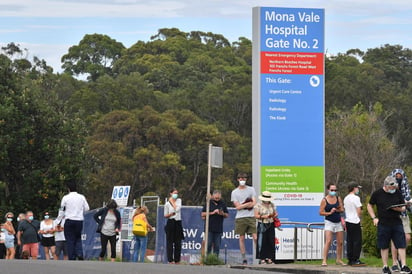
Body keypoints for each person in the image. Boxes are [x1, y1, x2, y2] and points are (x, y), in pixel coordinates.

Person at [367, 176, 412, 274]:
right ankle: (385, 266)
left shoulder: (397, 192)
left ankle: (404, 265)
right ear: (386, 186)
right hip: (383, 223)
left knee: (401, 244)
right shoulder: (377, 194)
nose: (393, 189)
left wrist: (399, 209)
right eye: (391, 187)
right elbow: (369, 205)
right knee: (384, 245)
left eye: (394, 187)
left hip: (396, 222)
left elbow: (403, 207)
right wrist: (374, 218)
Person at [231, 172, 257, 265]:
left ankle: (260, 256)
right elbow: (237, 207)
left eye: (244, 179)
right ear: (238, 179)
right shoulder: (234, 192)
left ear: (246, 179)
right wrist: (246, 204)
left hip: (251, 216)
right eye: (241, 179)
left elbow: (254, 202)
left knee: (255, 237)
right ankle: (244, 258)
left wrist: (246, 204)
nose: (242, 180)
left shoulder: (251, 189)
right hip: (240, 217)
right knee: (241, 238)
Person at [60, 179, 90, 260]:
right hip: (79, 220)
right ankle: (80, 254)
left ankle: (72, 256)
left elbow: (61, 210)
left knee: (70, 239)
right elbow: (87, 208)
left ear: (68, 189)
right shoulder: (81, 197)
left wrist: (58, 221)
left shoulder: (65, 198)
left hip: (69, 220)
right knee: (78, 237)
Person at [389, 168, 411, 272]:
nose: (398, 178)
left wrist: (408, 205)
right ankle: (394, 263)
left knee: (407, 237)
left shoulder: (406, 188)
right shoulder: (390, 188)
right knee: (394, 240)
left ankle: (400, 258)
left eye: (400, 176)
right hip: (393, 216)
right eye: (396, 176)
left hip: (404, 215)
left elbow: (408, 199)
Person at [319, 183, 345, 266]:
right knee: (328, 241)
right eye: (332, 190)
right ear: (328, 190)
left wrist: (337, 210)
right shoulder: (324, 200)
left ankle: (339, 259)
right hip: (329, 222)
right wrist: (329, 212)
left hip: (338, 221)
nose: (334, 192)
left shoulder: (338, 198)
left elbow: (342, 209)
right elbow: (321, 212)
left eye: (335, 190)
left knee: (340, 242)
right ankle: (324, 260)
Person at [343, 182, 366, 266]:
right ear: (354, 188)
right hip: (355, 221)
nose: (358, 190)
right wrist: (359, 217)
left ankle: (350, 259)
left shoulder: (346, 198)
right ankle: (356, 259)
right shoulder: (356, 198)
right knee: (357, 241)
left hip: (348, 220)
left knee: (350, 240)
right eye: (357, 188)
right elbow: (359, 210)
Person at [201, 190, 229, 257]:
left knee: (217, 245)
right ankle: (207, 258)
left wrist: (222, 213)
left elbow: (227, 215)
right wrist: (212, 212)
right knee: (208, 244)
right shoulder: (208, 203)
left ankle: (215, 259)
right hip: (209, 228)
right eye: (216, 198)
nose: (217, 199)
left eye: (218, 198)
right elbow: (202, 214)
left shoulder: (222, 203)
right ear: (213, 196)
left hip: (218, 228)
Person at [254, 191, 277, 264]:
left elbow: (275, 213)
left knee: (271, 241)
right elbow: (256, 216)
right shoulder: (258, 206)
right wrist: (263, 216)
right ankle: (262, 258)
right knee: (262, 241)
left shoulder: (272, 205)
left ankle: (270, 258)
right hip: (262, 224)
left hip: (270, 223)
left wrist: (273, 215)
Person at [164, 188, 184, 264]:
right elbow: (165, 215)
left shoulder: (179, 201)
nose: (176, 194)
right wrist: (170, 214)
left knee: (178, 242)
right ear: (171, 193)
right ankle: (170, 260)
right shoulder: (167, 204)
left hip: (178, 222)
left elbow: (177, 209)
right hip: (170, 222)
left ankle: (177, 260)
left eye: (177, 193)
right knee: (169, 242)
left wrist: (172, 202)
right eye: (174, 193)